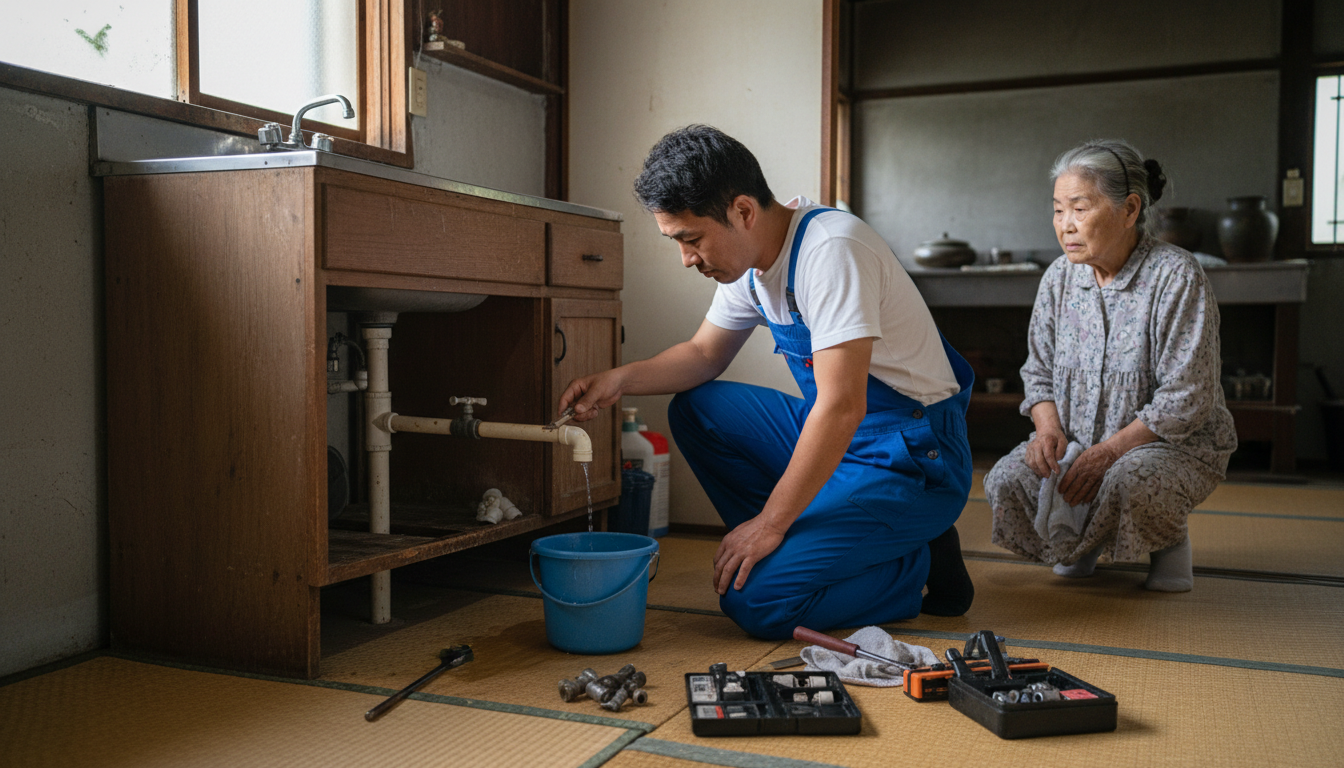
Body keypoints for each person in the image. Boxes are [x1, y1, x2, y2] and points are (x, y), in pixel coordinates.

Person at [557, 125, 976, 639]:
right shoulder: (754, 265)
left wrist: (772, 523)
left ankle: (915, 564)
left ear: (742, 211)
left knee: (757, 601)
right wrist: (617, 379)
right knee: (698, 410)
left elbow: (842, 406)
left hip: (912, 456)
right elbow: (703, 354)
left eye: (691, 239)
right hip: (848, 437)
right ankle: (808, 540)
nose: (687, 259)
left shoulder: (831, 251)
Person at [984, 139, 1237, 593]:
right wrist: (1046, 431)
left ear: (1130, 208)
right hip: (1081, 441)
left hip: (1171, 446)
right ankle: (1078, 544)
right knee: (1006, 478)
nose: (1066, 226)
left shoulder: (1175, 276)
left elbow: (1186, 397)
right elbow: (1037, 372)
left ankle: (1170, 545)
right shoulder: (1059, 277)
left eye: (1079, 208)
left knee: (1131, 478)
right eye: (1058, 210)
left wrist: (1108, 452)